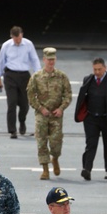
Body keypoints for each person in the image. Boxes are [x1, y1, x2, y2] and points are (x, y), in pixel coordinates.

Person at [74, 57, 107, 181]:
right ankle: (87, 169)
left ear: (105, 68)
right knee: (91, 144)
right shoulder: (88, 79)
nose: (97, 72)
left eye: (99, 69)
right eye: (95, 69)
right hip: (91, 118)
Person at [27, 47, 72, 180]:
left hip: (56, 115)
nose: (51, 62)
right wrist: (40, 108)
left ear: (55, 60)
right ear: (44, 60)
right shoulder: (36, 77)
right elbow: (30, 95)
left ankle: (55, 158)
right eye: (48, 59)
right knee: (41, 141)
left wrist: (61, 108)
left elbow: (68, 94)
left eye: (53, 59)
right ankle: (45, 169)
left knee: (56, 142)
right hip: (42, 114)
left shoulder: (61, 76)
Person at [0, 25, 41, 138]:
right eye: (16, 39)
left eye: (19, 38)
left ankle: (22, 121)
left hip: (25, 76)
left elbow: (34, 60)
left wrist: (38, 75)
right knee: (12, 103)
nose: (18, 41)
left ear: (22, 35)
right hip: (10, 75)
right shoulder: (6, 46)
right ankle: (12, 130)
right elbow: (0, 62)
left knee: (25, 104)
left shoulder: (28, 44)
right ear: (12, 37)